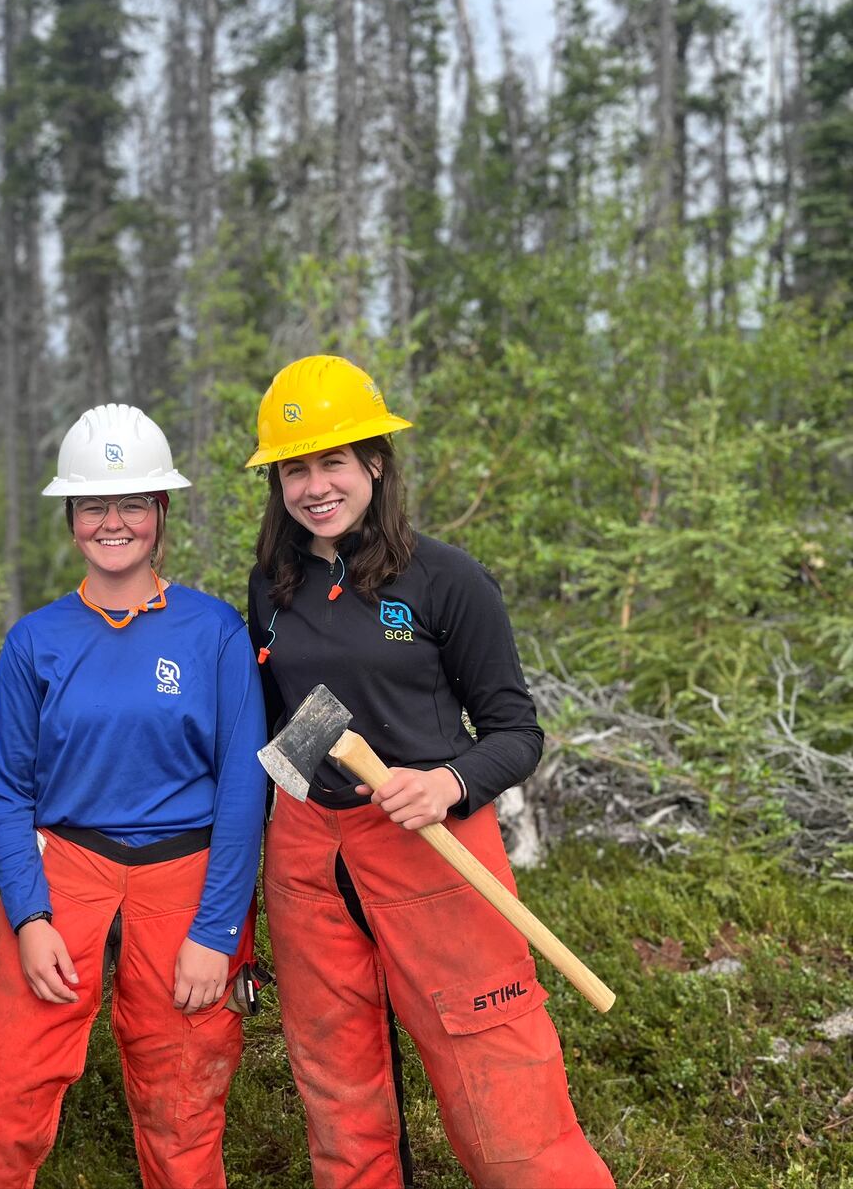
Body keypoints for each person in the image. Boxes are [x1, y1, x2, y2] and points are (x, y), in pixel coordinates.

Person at [244, 354, 614, 1188]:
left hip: (435, 848)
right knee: (337, 1084)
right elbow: (284, 720)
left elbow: (517, 732)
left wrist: (446, 781)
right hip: (311, 857)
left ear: (375, 460)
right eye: (294, 468)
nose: (315, 486)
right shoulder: (274, 584)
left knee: (500, 1083)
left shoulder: (448, 580)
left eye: (332, 461)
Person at [0, 404, 267, 1189]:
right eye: (94, 505)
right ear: (71, 516)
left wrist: (218, 928)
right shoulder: (35, 640)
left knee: (184, 1103)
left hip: (186, 877)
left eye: (131, 504)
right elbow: (5, 791)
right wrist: (29, 913)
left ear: (161, 512)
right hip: (65, 872)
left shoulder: (213, 631)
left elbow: (244, 785)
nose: (112, 522)